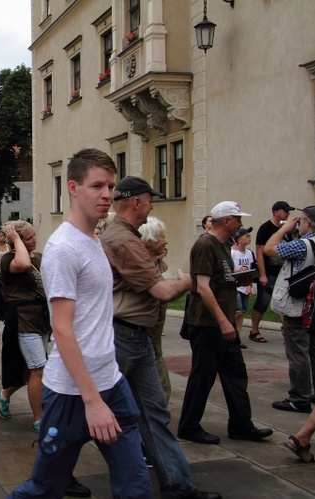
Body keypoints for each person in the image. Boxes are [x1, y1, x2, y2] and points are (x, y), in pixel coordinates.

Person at [9, 148, 150, 499]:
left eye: (110, 186)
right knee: (44, 489)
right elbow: (62, 329)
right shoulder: (64, 248)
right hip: (73, 392)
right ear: (72, 187)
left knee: (136, 487)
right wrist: (92, 401)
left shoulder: (93, 239)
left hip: (110, 381)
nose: (107, 195)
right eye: (97, 186)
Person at [101, 178, 219, 499]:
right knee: (87, 412)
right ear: (137, 201)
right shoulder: (123, 240)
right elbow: (162, 291)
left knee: (153, 413)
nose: (152, 206)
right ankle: (53, 468)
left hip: (134, 338)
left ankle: (178, 486)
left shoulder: (127, 237)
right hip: (122, 338)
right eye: (150, 200)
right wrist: (188, 280)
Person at [178, 201, 273, 445]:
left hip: (224, 323)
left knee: (235, 374)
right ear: (227, 221)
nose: (241, 225)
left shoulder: (222, 245)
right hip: (209, 324)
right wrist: (223, 321)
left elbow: (219, 280)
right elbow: (202, 287)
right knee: (203, 376)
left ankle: (241, 424)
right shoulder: (205, 245)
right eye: (238, 219)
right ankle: (189, 425)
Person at [0, 220, 50, 433]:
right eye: (28, 238)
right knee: (39, 369)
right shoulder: (9, 259)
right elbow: (24, 264)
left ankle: (3, 395)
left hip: (42, 320)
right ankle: (39, 418)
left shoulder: (40, 257)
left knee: (30, 371)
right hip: (24, 321)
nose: (34, 240)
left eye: (34, 235)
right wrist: (15, 239)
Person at [265, 207, 315, 412]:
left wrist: (284, 229)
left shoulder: (303, 245)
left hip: (298, 307)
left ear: (308, 223)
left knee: (298, 353)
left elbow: (270, 249)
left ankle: (299, 398)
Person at [139, 216, 173, 400]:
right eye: (162, 237)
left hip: (153, 344)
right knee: (159, 392)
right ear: (149, 242)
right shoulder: (141, 268)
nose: (166, 240)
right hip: (145, 344)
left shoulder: (153, 263)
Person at [251, 201, 294, 342]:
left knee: (284, 301)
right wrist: (262, 274)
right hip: (269, 271)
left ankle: (287, 331)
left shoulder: (287, 229)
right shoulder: (266, 228)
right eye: (285, 211)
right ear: (275, 212)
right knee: (263, 301)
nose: (288, 213)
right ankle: (254, 330)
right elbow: (259, 253)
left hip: (284, 272)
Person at [230, 227, 255, 344]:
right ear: (239, 239)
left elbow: (251, 270)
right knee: (238, 311)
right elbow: (229, 271)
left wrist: (250, 286)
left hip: (245, 286)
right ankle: (229, 330)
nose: (249, 238)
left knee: (242, 312)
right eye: (247, 236)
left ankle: (237, 337)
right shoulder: (232, 253)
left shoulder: (249, 253)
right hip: (236, 286)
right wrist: (237, 271)